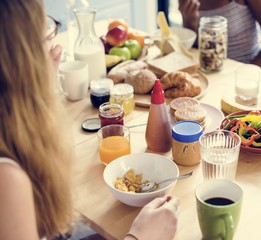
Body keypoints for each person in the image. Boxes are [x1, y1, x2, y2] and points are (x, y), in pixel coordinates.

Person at [0, 1, 179, 240]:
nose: (53, 46)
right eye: (45, 34)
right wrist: (141, 236)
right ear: (23, 57)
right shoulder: (7, 180)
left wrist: (38, 89)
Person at [178, 0, 261, 68]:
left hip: (245, 78)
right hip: (209, 75)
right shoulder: (187, 2)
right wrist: (190, 21)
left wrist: (247, 71)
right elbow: (194, 51)